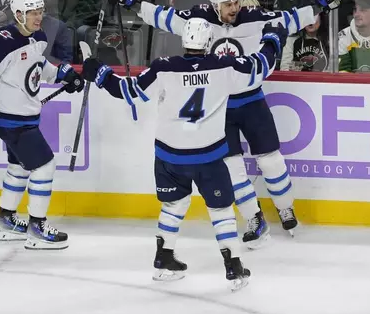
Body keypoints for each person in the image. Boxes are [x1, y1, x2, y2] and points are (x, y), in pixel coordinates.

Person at [117, 0, 343, 248]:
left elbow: (289, 19)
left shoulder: (254, 17)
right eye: (228, 4)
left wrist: (319, 4)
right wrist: (132, 2)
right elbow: (165, 17)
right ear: (215, 5)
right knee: (233, 169)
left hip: (251, 101)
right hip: (219, 107)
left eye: (236, 2)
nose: (234, 8)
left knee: (271, 160)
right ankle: (254, 220)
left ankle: (286, 208)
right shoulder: (198, 20)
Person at [81, 19, 289, 290]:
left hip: (170, 156)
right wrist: (273, 37)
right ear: (208, 41)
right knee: (221, 209)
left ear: (185, 41)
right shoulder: (224, 66)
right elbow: (262, 65)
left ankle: (164, 259)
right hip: (209, 157)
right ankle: (234, 267)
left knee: (173, 206)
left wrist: (97, 71)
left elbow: (126, 91)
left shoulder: (163, 67)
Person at [0, 0, 84, 249]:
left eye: (40, 11)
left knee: (19, 167)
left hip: (26, 116)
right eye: (33, 13)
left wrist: (63, 74)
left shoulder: (38, 37)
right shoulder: (4, 42)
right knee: (44, 166)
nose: (38, 17)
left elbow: (37, 67)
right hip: (11, 120)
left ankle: (6, 221)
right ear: (19, 14)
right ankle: (37, 228)